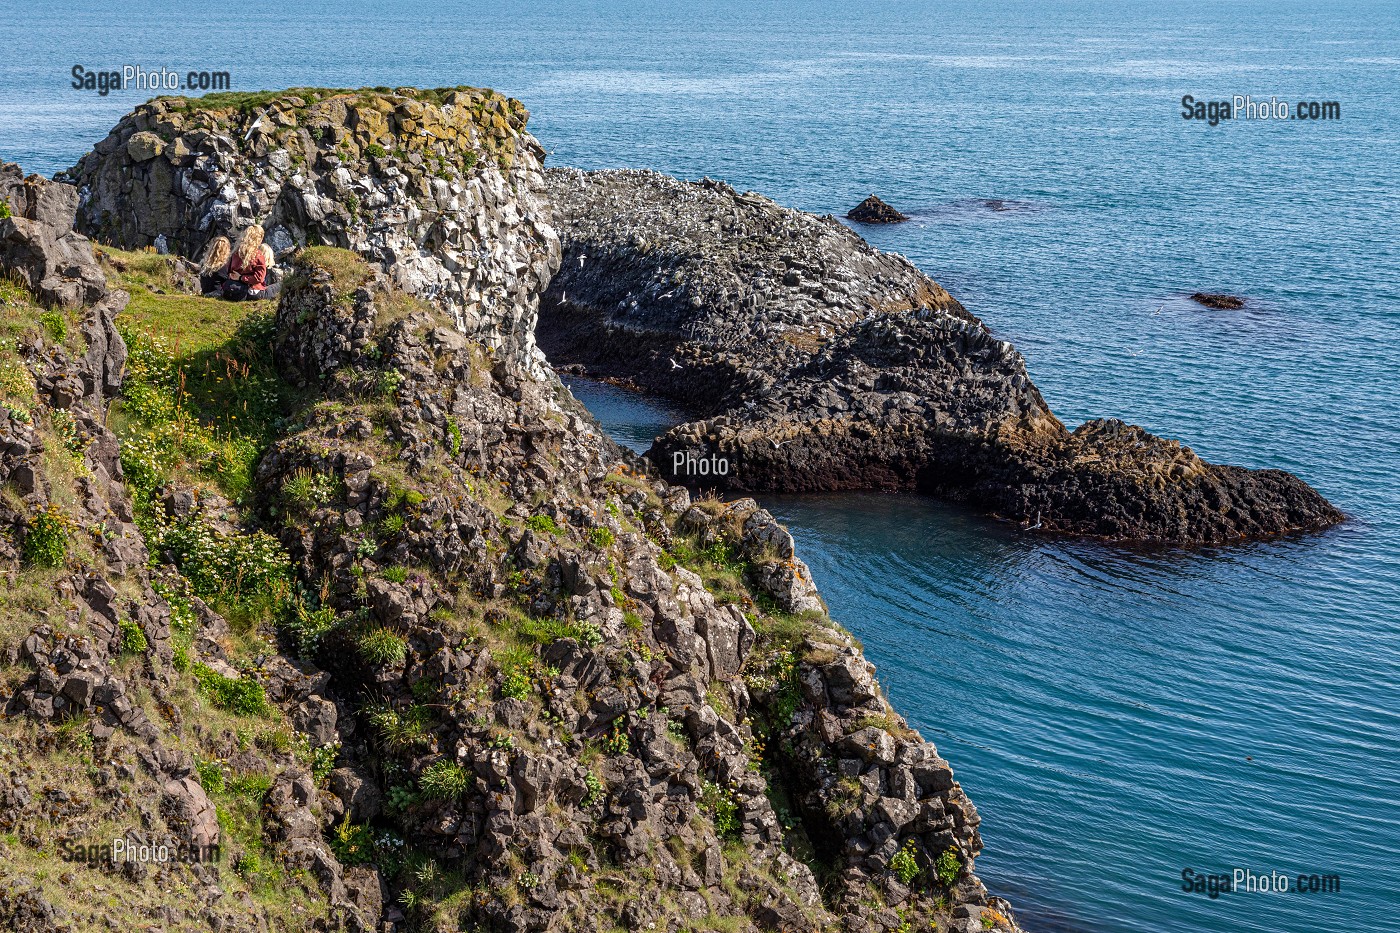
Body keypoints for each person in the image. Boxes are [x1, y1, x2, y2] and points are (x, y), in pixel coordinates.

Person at [222, 224, 281, 300]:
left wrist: (238, 277)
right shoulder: (258, 255)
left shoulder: (236, 252)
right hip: (252, 291)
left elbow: (229, 270)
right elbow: (259, 278)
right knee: (279, 286)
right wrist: (241, 278)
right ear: (259, 239)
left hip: (233, 288)